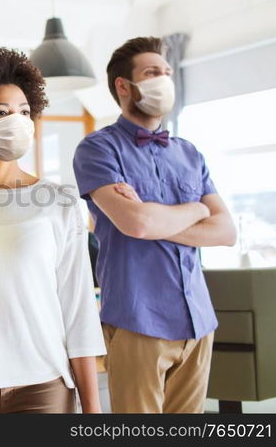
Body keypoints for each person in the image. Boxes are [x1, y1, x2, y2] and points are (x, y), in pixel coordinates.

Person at [73, 36, 237, 413]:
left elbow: (226, 231)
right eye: (152, 72)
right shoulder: (98, 149)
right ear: (123, 86)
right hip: (137, 318)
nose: (164, 79)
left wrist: (153, 219)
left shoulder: (189, 152)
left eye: (166, 72)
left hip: (198, 320)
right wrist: (196, 209)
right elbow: (138, 223)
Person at [0, 47, 106, 413]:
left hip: (44, 385)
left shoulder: (57, 201)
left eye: (24, 112)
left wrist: (93, 409)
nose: (17, 121)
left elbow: (78, 311)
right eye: (1, 113)